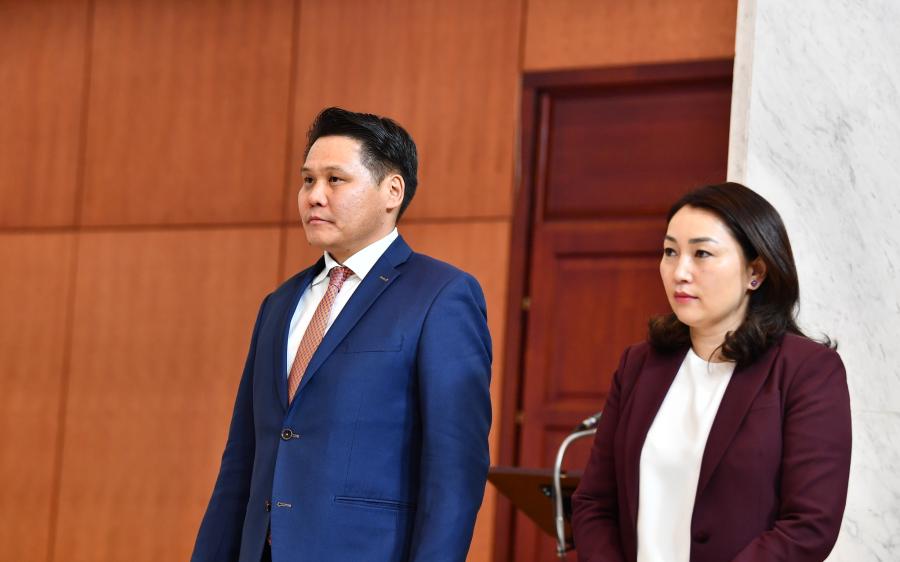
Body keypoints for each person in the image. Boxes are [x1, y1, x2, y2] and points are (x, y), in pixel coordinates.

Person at [191, 107, 492, 562]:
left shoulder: (441, 296)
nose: (314, 196)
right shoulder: (279, 304)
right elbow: (241, 460)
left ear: (392, 191)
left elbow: (454, 472)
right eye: (307, 180)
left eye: (335, 180)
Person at [571, 182, 851, 562]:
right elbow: (594, 502)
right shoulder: (638, 365)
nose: (680, 272)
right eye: (670, 252)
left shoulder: (806, 370)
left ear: (755, 271)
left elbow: (809, 524)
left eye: (702, 253)